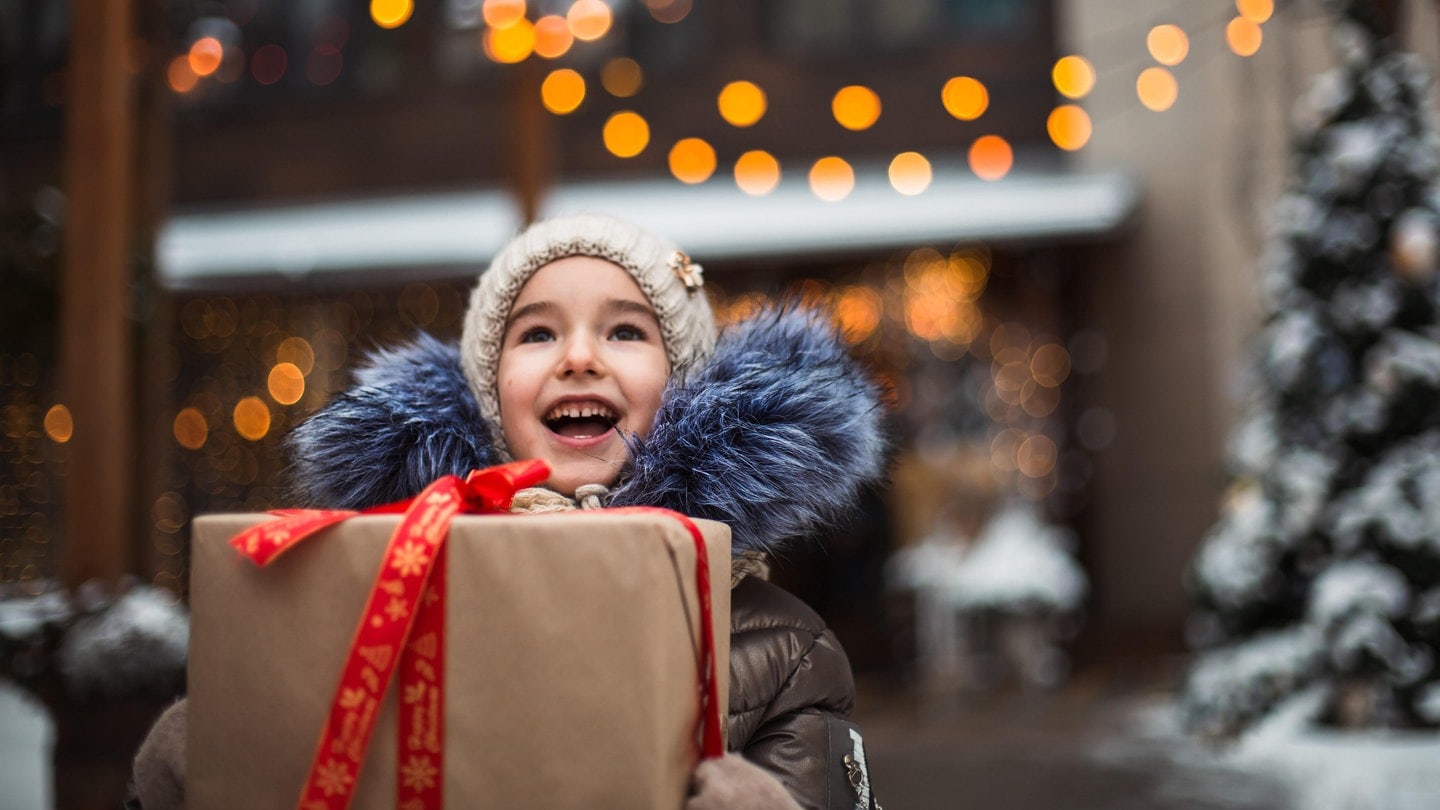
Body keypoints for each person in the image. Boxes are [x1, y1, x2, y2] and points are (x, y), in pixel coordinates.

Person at [130, 213, 888, 809]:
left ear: (685, 386)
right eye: (537, 334)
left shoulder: (785, 648)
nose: (579, 357)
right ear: (492, 395)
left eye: (626, 330)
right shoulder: (386, 597)